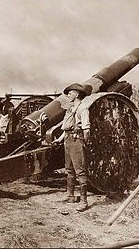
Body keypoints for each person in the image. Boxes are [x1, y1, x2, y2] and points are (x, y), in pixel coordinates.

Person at [54, 83, 92, 212]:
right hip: (68, 140)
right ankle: (70, 196)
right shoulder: (71, 109)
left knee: (80, 171)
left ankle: (84, 202)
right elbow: (66, 129)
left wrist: (83, 143)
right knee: (69, 170)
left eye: (70, 93)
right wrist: (59, 140)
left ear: (77, 94)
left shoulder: (83, 109)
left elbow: (86, 129)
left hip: (76, 141)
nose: (68, 95)